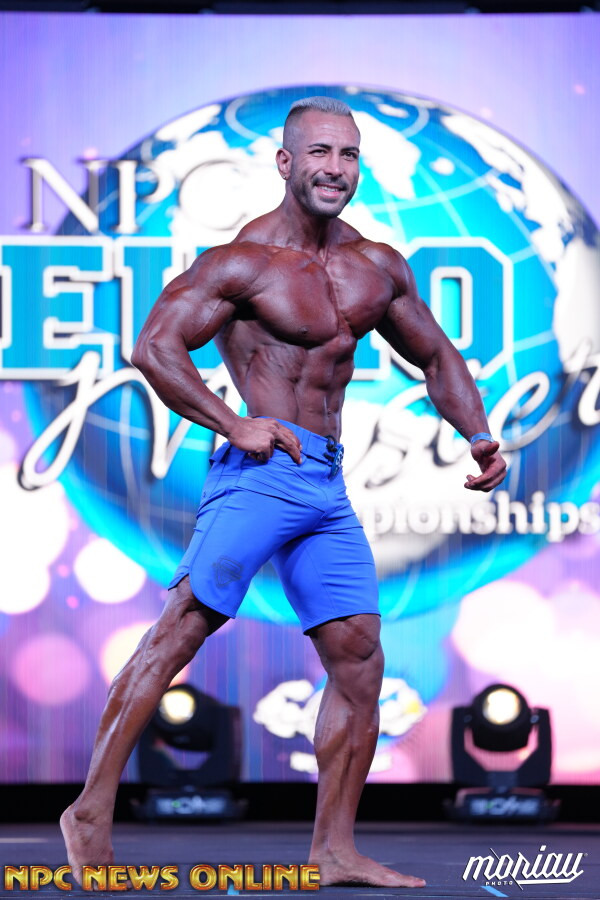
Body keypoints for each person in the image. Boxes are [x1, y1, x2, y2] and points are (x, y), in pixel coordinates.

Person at [60, 96, 507, 889]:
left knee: (359, 659)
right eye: (322, 153)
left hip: (326, 485)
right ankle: (90, 811)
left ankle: (333, 849)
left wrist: (476, 433)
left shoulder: (375, 265)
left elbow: (436, 355)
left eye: (350, 155)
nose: (337, 169)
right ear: (286, 163)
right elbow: (153, 347)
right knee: (181, 630)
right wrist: (234, 424)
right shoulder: (242, 263)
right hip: (259, 476)